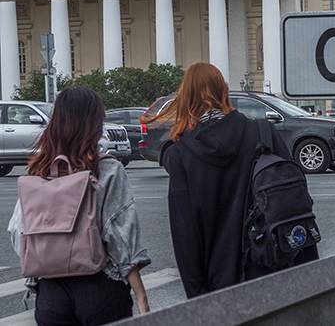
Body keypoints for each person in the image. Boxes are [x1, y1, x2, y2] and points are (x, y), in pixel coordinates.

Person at [150, 63, 318, 299]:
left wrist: (196, 296)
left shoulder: (180, 154)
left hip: (219, 282)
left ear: (185, 98)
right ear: (224, 91)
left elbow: (185, 233)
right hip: (273, 269)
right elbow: (294, 201)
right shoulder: (264, 133)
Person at [8, 87, 150, 324]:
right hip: (100, 288)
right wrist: (141, 295)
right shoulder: (107, 169)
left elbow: (17, 230)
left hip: (51, 294)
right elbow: (121, 235)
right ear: (94, 124)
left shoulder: (38, 171)